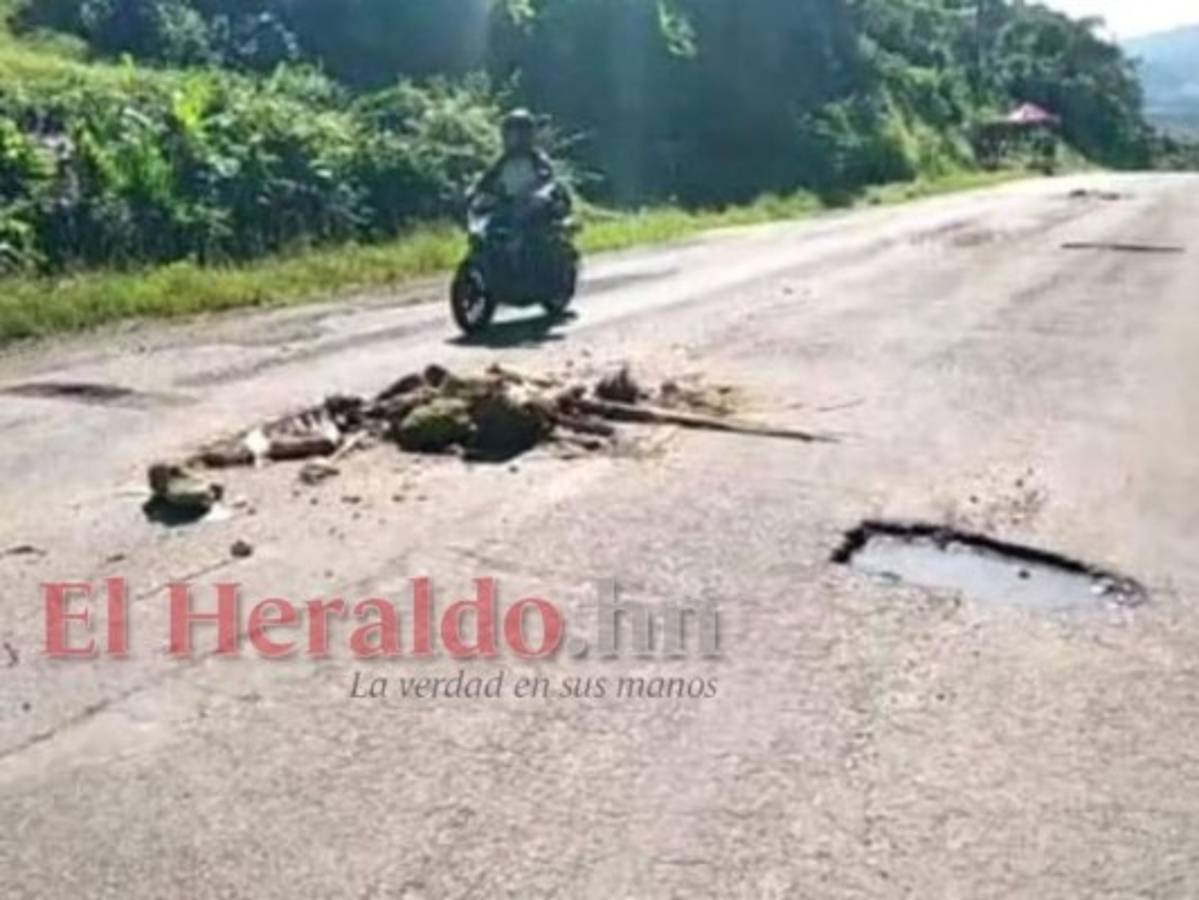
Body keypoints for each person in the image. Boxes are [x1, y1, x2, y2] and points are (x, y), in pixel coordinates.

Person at [473, 109, 559, 209]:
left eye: (521, 133)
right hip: (504, 210)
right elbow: (483, 186)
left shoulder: (538, 160)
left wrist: (531, 195)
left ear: (529, 135)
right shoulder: (502, 162)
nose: (517, 138)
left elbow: (547, 183)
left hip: (532, 210)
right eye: (512, 133)